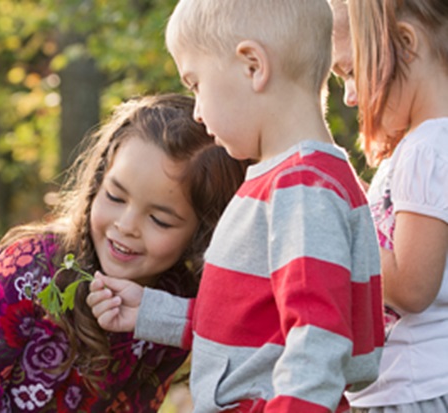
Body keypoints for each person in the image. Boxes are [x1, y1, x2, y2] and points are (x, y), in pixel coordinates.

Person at [87, 1, 385, 412]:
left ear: (252, 66)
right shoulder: (292, 178)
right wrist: (154, 312)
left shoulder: (302, 189)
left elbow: (319, 338)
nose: (197, 112)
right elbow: (258, 329)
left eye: (196, 85)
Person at [0, 94, 248, 412]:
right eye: (115, 197)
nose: (126, 225)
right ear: (97, 184)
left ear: (203, 233)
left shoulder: (173, 305)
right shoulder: (27, 270)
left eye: (159, 220)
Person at [343, 1, 448, 412]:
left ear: (406, 44)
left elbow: (412, 286)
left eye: (353, 72)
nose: (349, 96)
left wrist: (340, 236)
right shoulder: (421, 146)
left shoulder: (429, 149)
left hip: (415, 387)